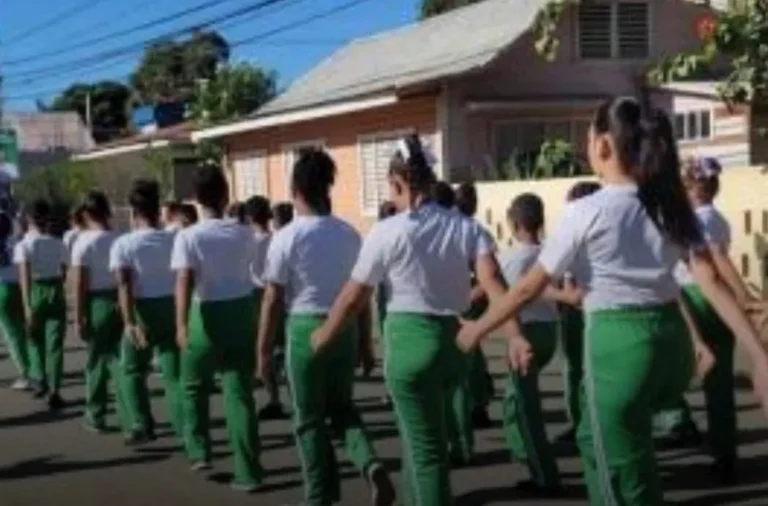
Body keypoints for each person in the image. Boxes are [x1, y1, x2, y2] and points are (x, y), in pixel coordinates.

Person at [456, 96, 768, 506]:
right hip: (671, 345)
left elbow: (527, 288)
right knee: (603, 438)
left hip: (620, 349)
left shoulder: (587, 210)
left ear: (603, 145)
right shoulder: (670, 204)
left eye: (587, 136)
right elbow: (709, 279)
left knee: (621, 477)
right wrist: (759, 356)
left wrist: (476, 330)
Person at [311, 134, 522, 506]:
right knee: (423, 435)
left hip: (409, 344)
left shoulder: (387, 231)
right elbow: (495, 284)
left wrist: (324, 335)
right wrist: (515, 335)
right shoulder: (465, 226)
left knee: (426, 451)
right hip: (454, 344)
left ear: (397, 182)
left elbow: (353, 296)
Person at [258, 148, 394, 506]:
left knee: (308, 419)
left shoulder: (286, 237)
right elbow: (360, 295)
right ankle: (369, 463)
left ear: (295, 190)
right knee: (343, 409)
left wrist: (263, 351)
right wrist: (365, 343)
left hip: (304, 328)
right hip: (344, 326)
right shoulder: (349, 234)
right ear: (327, 188)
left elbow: (272, 299)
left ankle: (319, 496)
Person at [655, 156, 752, 481]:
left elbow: (716, 259)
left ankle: (687, 428)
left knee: (676, 368)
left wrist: (744, 296)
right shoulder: (716, 217)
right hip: (714, 296)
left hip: (695, 296)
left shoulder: (700, 219)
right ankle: (724, 450)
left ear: (691, 189)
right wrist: (740, 296)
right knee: (719, 380)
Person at [171, 164, 262, 492]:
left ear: (196, 199)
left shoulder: (188, 236)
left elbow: (184, 280)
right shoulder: (244, 232)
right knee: (239, 394)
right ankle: (248, 472)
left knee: (193, 386)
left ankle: (199, 451)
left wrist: (181, 324)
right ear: (225, 195)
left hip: (205, 312)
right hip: (242, 311)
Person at [498, 193, 567, 495]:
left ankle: (543, 473)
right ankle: (526, 455)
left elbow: (502, 297)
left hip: (525, 332)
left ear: (514, 224)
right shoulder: (550, 253)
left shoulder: (509, 258)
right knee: (514, 399)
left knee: (526, 408)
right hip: (550, 330)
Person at [109, 179, 182, 446]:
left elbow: (123, 284)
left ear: (133, 211)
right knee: (174, 374)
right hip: (172, 306)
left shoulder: (124, 244)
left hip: (142, 309)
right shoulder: (174, 239)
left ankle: (141, 423)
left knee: (132, 370)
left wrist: (129, 321)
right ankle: (185, 428)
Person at [71, 191, 127, 433]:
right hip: (119, 299)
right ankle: (130, 416)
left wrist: (78, 316)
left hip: (96, 302)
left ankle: (96, 414)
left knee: (96, 361)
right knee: (120, 360)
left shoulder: (83, 242)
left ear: (86, 213)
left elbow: (79, 283)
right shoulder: (120, 238)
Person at [556, 180, 602, 444]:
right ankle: (586, 422)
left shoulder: (573, 237)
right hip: (592, 311)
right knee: (584, 370)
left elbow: (566, 285)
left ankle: (583, 423)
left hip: (584, 312)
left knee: (578, 370)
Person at [15, 199, 68, 409]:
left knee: (34, 338)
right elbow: (64, 271)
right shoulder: (57, 242)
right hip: (55, 288)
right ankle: (55, 389)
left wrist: (27, 304)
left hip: (35, 288)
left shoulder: (24, 245)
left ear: (28, 219)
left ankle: (39, 378)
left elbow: (24, 276)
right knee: (55, 344)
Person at [455, 182, 494, 429]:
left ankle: (472, 405)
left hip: (464, 297)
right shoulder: (476, 230)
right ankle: (478, 403)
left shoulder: (455, 228)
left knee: (465, 354)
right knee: (473, 352)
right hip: (471, 296)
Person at [245, 195, 287, 421]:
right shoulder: (278, 239)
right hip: (280, 291)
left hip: (256, 294)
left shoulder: (248, 242)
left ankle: (274, 398)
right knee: (280, 344)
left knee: (262, 346)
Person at [0, 212, 30, 391]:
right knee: (23, 330)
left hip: (2, 289)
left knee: (12, 335)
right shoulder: (16, 243)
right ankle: (35, 367)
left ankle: (25, 373)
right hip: (19, 287)